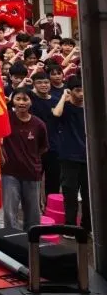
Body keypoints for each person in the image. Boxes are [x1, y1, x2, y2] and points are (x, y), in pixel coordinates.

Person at [1, 88, 48, 232]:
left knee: (33, 214)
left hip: (32, 173)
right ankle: (12, 242)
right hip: (9, 173)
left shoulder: (38, 124)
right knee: (10, 212)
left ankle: (32, 245)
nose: (21, 102)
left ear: (31, 101)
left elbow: (43, 148)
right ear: (12, 101)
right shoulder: (5, 119)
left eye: (25, 99)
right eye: (18, 99)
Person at [53, 76, 88, 228]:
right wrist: (63, 96)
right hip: (69, 157)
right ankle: (70, 226)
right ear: (71, 91)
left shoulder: (89, 110)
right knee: (70, 194)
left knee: (88, 195)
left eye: (83, 91)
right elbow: (56, 114)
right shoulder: (65, 107)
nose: (81, 94)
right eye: (77, 90)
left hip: (87, 158)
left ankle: (88, 226)